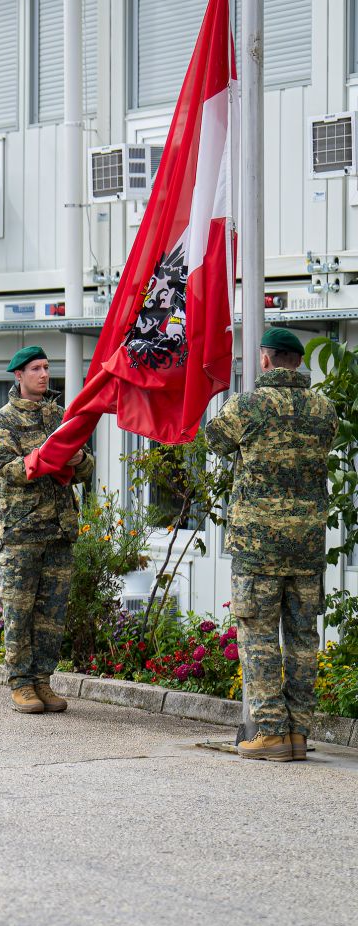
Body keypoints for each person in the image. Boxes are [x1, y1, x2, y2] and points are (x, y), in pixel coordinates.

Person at [202, 326, 338, 762]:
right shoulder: (324, 410)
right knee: (302, 640)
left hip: (258, 548)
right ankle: (298, 733)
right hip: (306, 546)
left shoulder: (248, 406)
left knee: (258, 638)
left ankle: (272, 732)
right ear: (298, 362)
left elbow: (215, 439)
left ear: (265, 360)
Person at [0, 345, 93, 715]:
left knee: (52, 613)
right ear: (19, 375)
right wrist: (46, 457)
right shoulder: (4, 422)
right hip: (22, 532)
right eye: (36, 368)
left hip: (59, 529)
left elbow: (85, 467)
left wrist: (78, 458)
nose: (44, 374)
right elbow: (9, 469)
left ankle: (43, 681)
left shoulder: (59, 416)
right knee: (20, 611)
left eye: (47, 367)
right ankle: (21, 683)